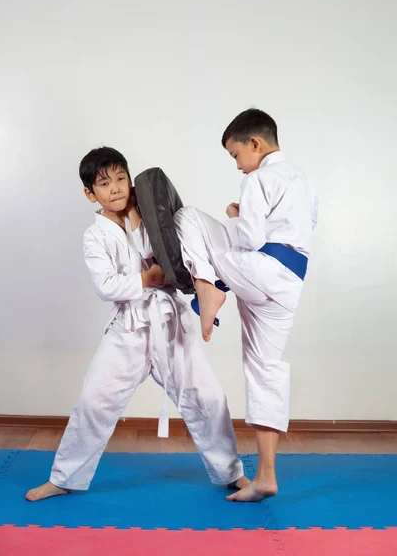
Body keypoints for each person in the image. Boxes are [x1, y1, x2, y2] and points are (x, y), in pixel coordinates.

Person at [26, 146, 248, 502]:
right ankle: (64, 477)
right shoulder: (94, 236)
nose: (115, 188)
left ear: (130, 181)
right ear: (90, 193)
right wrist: (147, 280)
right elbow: (107, 286)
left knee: (207, 397)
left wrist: (136, 218)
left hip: (169, 325)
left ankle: (231, 474)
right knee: (94, 402)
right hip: (128, 330)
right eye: (104, 183)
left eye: (120, 179)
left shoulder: (149, 220)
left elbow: (168, 261)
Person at [174, 108, 318, 502]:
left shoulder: (259, 178)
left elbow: (249, 240)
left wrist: (234, 218)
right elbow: (296, 230)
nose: (238, 166)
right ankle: (267, 476)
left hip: (259, 269)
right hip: (289, 284)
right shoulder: (303, 180)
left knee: (187, 217)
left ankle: (210, 287)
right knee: (264, 370)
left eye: (236, 155)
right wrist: (246, 223)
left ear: (255, 144)